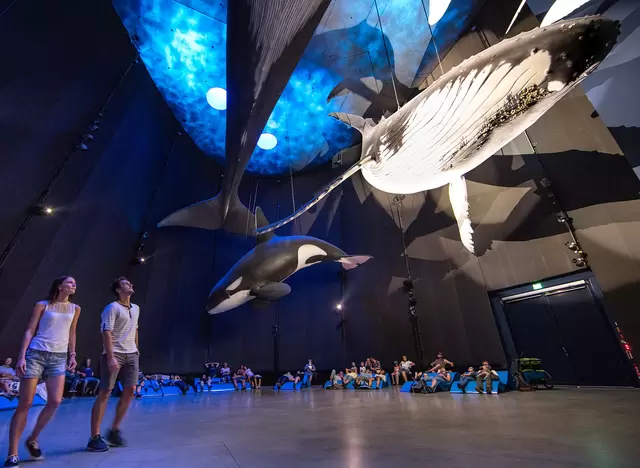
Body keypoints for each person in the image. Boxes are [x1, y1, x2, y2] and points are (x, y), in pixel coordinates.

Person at [5, 276, 80, 468]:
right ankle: (12, 454)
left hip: (58, 357)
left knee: (55, 401)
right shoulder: (42, 305)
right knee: (26, 403)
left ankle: (33, 439)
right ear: (59, 286)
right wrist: (21, 356)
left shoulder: (75, 308)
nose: (74, 285)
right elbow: (30, 330)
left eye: (74, 283)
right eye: (70, 282)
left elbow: (72, 332)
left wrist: (72, 354)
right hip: (36, 354)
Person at [87, 277, 140, 453]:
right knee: (105, 392)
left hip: (131, 353)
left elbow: (135, 329)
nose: (130, 285)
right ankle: (94, 436)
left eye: (130, 283)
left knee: (131, 389)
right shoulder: (112, 308)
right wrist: (110, 357)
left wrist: (136, 350)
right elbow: (107, 332)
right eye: (126, 284)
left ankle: (114, 429)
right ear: (118, 290)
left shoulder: (136, 308)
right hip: (114, 352)